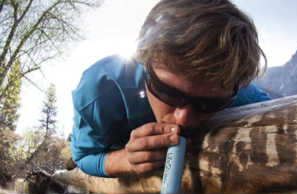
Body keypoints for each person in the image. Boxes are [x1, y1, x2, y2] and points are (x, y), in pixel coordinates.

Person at [70, 0, 271, 178]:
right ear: (143, 58)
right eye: (167, 92)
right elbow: (84, 156)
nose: (183, 119)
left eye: (209, 104)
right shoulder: (101, 88)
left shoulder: (237, 93)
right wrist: (126, 160)